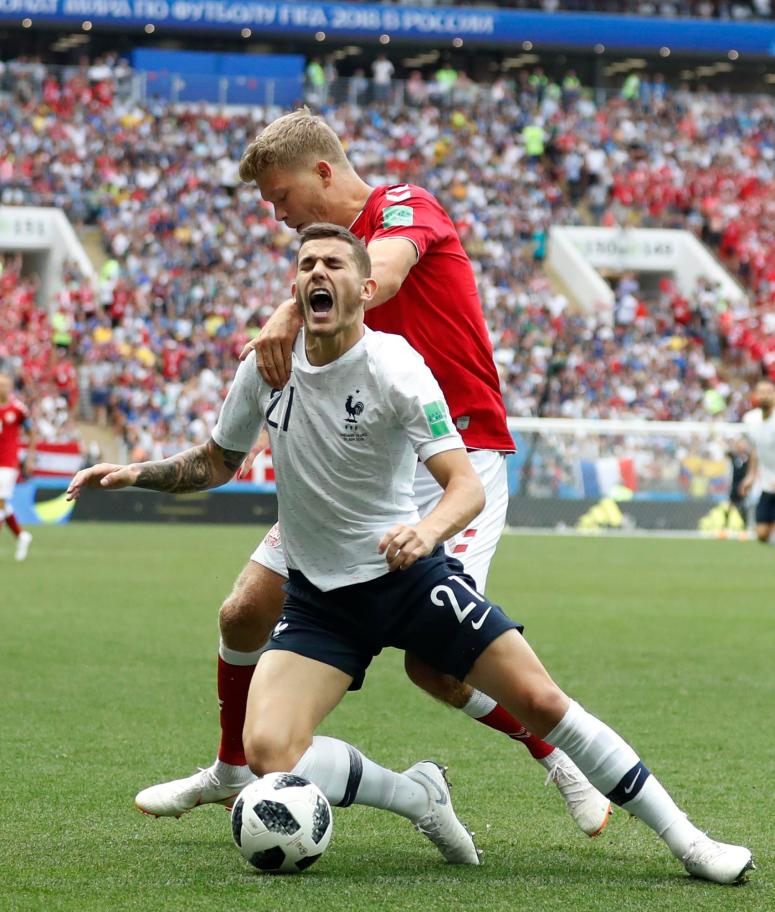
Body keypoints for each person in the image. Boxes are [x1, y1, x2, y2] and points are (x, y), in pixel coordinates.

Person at [68, 226, 754, 885]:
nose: (318, 274)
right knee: (269, 753)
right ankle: (417, 796)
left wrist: (425, 533)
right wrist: (135, 472)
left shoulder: (395, 366)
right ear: (292, 284)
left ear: (366, 289)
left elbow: (462, 486)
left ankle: (687, 839)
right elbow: (216, 460)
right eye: (307, 264)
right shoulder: (266, 366)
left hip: (409, 578)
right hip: (319, 599)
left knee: (541, 699)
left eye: (334, 265)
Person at [129, 107, 611, 837]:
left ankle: (557, 755)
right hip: (364, 469)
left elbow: (379, 277)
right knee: (244, 610)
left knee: (436, 667)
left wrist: (285, 315)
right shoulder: (322, 262)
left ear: (322, 172)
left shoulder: (403, 209)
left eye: (281, 194)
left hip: (456, 459)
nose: (278, 213)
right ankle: (231, 769)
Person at [0, 371, 34, 561]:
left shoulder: (18, 409)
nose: (1, 388)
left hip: (8, 463)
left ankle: (21, 536)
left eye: (4, 385)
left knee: (0, 503)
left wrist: (29, 457)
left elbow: (31, 433)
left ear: (10, 388)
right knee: (1, 505)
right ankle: (21, 536)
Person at [739, 379, 775, 543]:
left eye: (769, 392)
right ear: (755, 396)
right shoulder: (751, 420)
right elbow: (755, 450)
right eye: (762, 392)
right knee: (761, 534)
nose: (765, 396)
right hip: (768, 483)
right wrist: (751, 476)